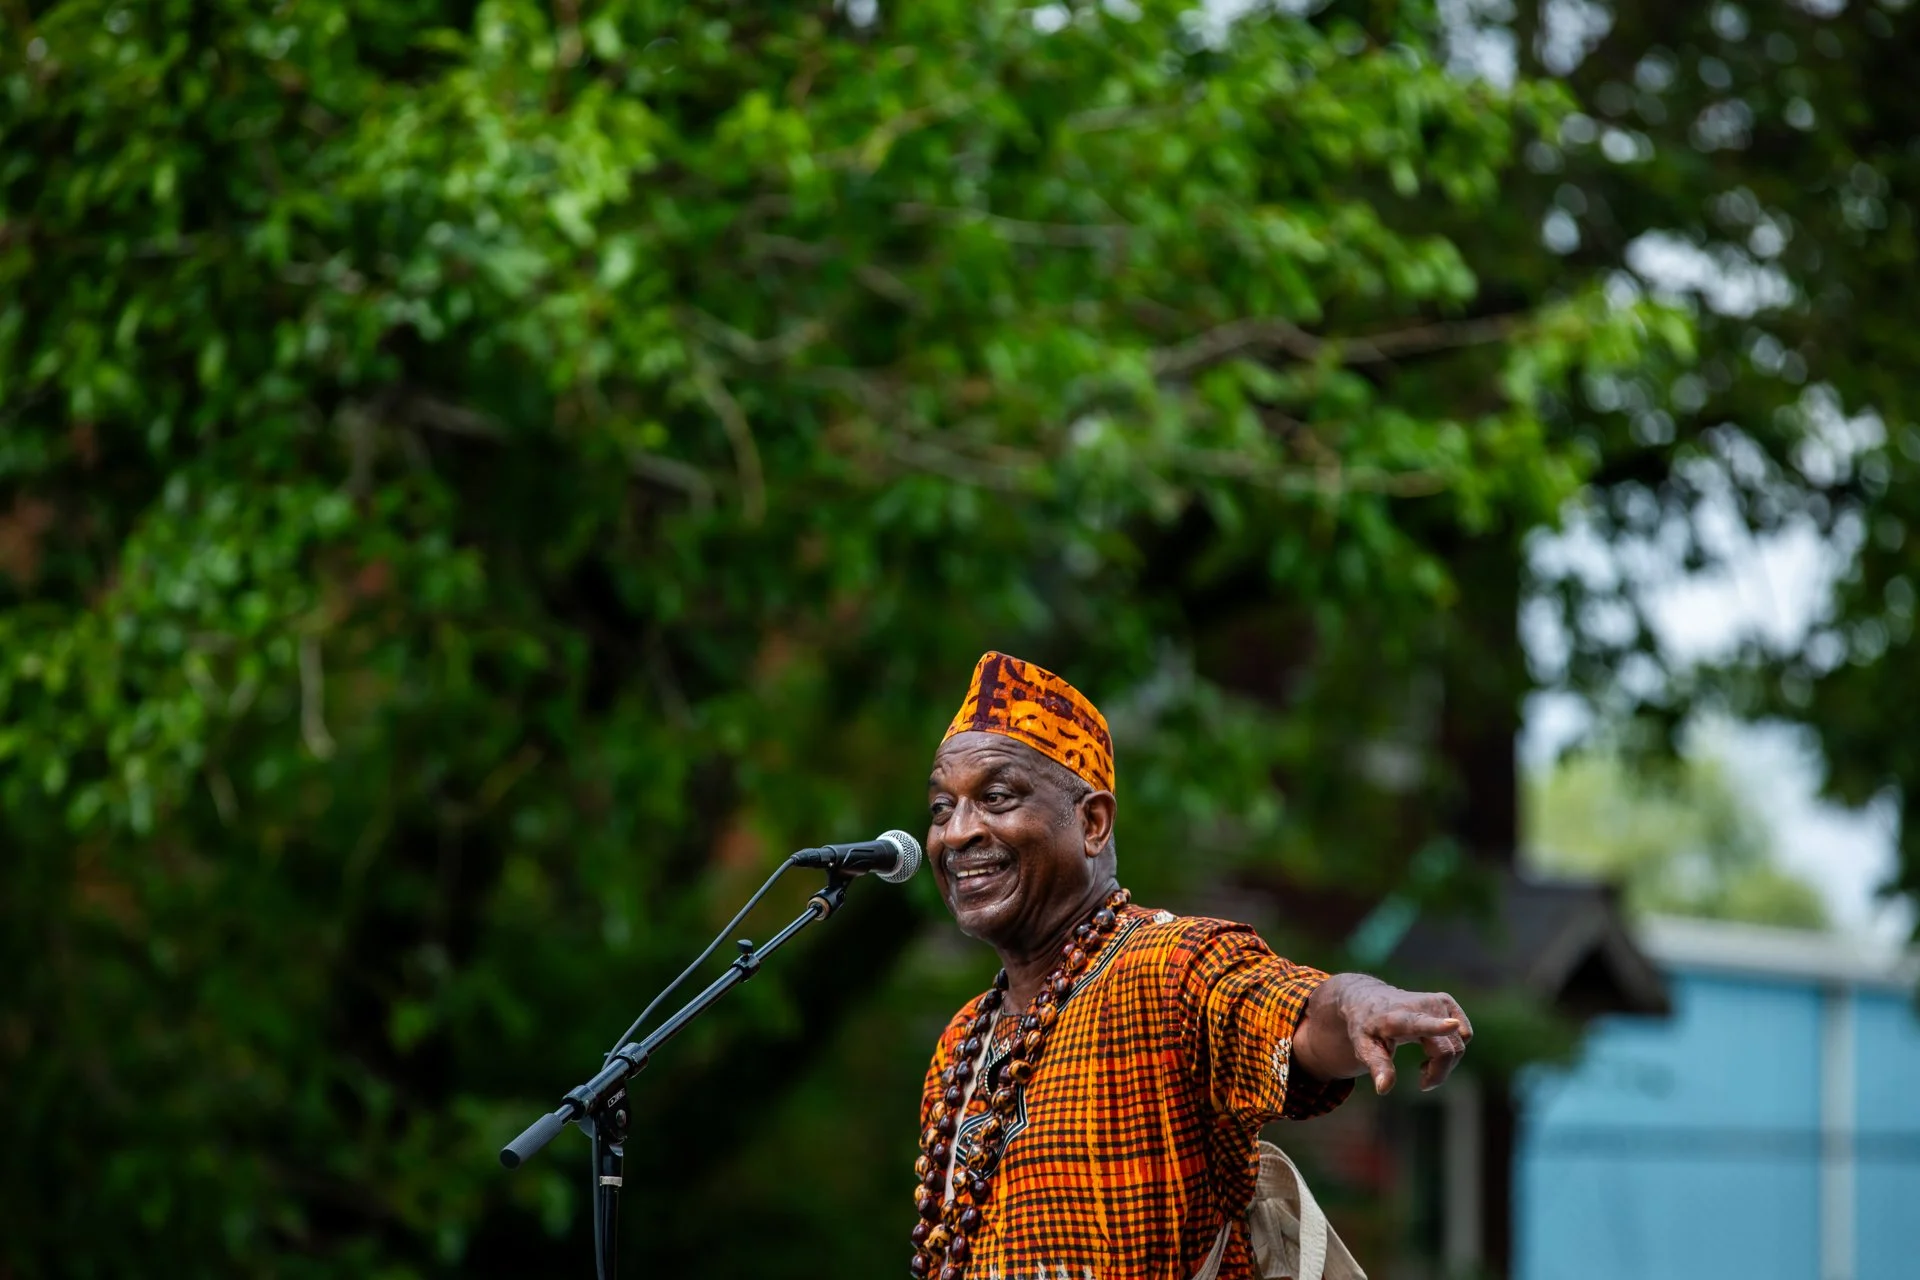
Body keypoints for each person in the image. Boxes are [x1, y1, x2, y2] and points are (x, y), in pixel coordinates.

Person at [911, 653, 1472, 1280]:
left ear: (1092, 823)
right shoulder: (965, 1042)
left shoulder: (1170, 965)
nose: (957, 833)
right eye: (941, 808)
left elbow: (1287, 1013)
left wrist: (1358, 1004)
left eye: (994, 797)